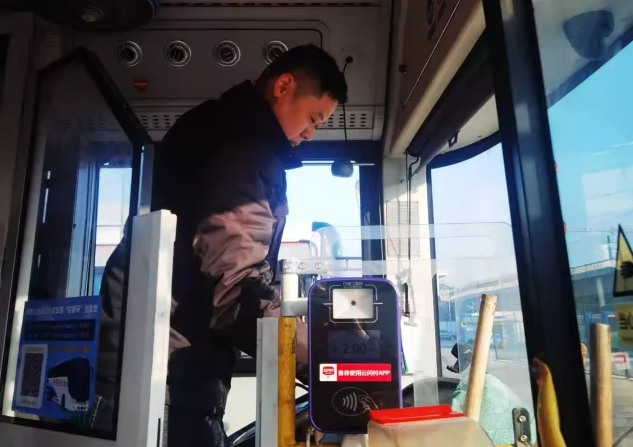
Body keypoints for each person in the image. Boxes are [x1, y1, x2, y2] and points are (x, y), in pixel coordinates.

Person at [95, 44, 348, 446]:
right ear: (284, 86)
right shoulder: (241, 147)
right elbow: (234, 285)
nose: (309, 134)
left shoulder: (223, 128)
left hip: (153, 355)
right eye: (313, 119)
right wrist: (324, 359)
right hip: (164, 370)